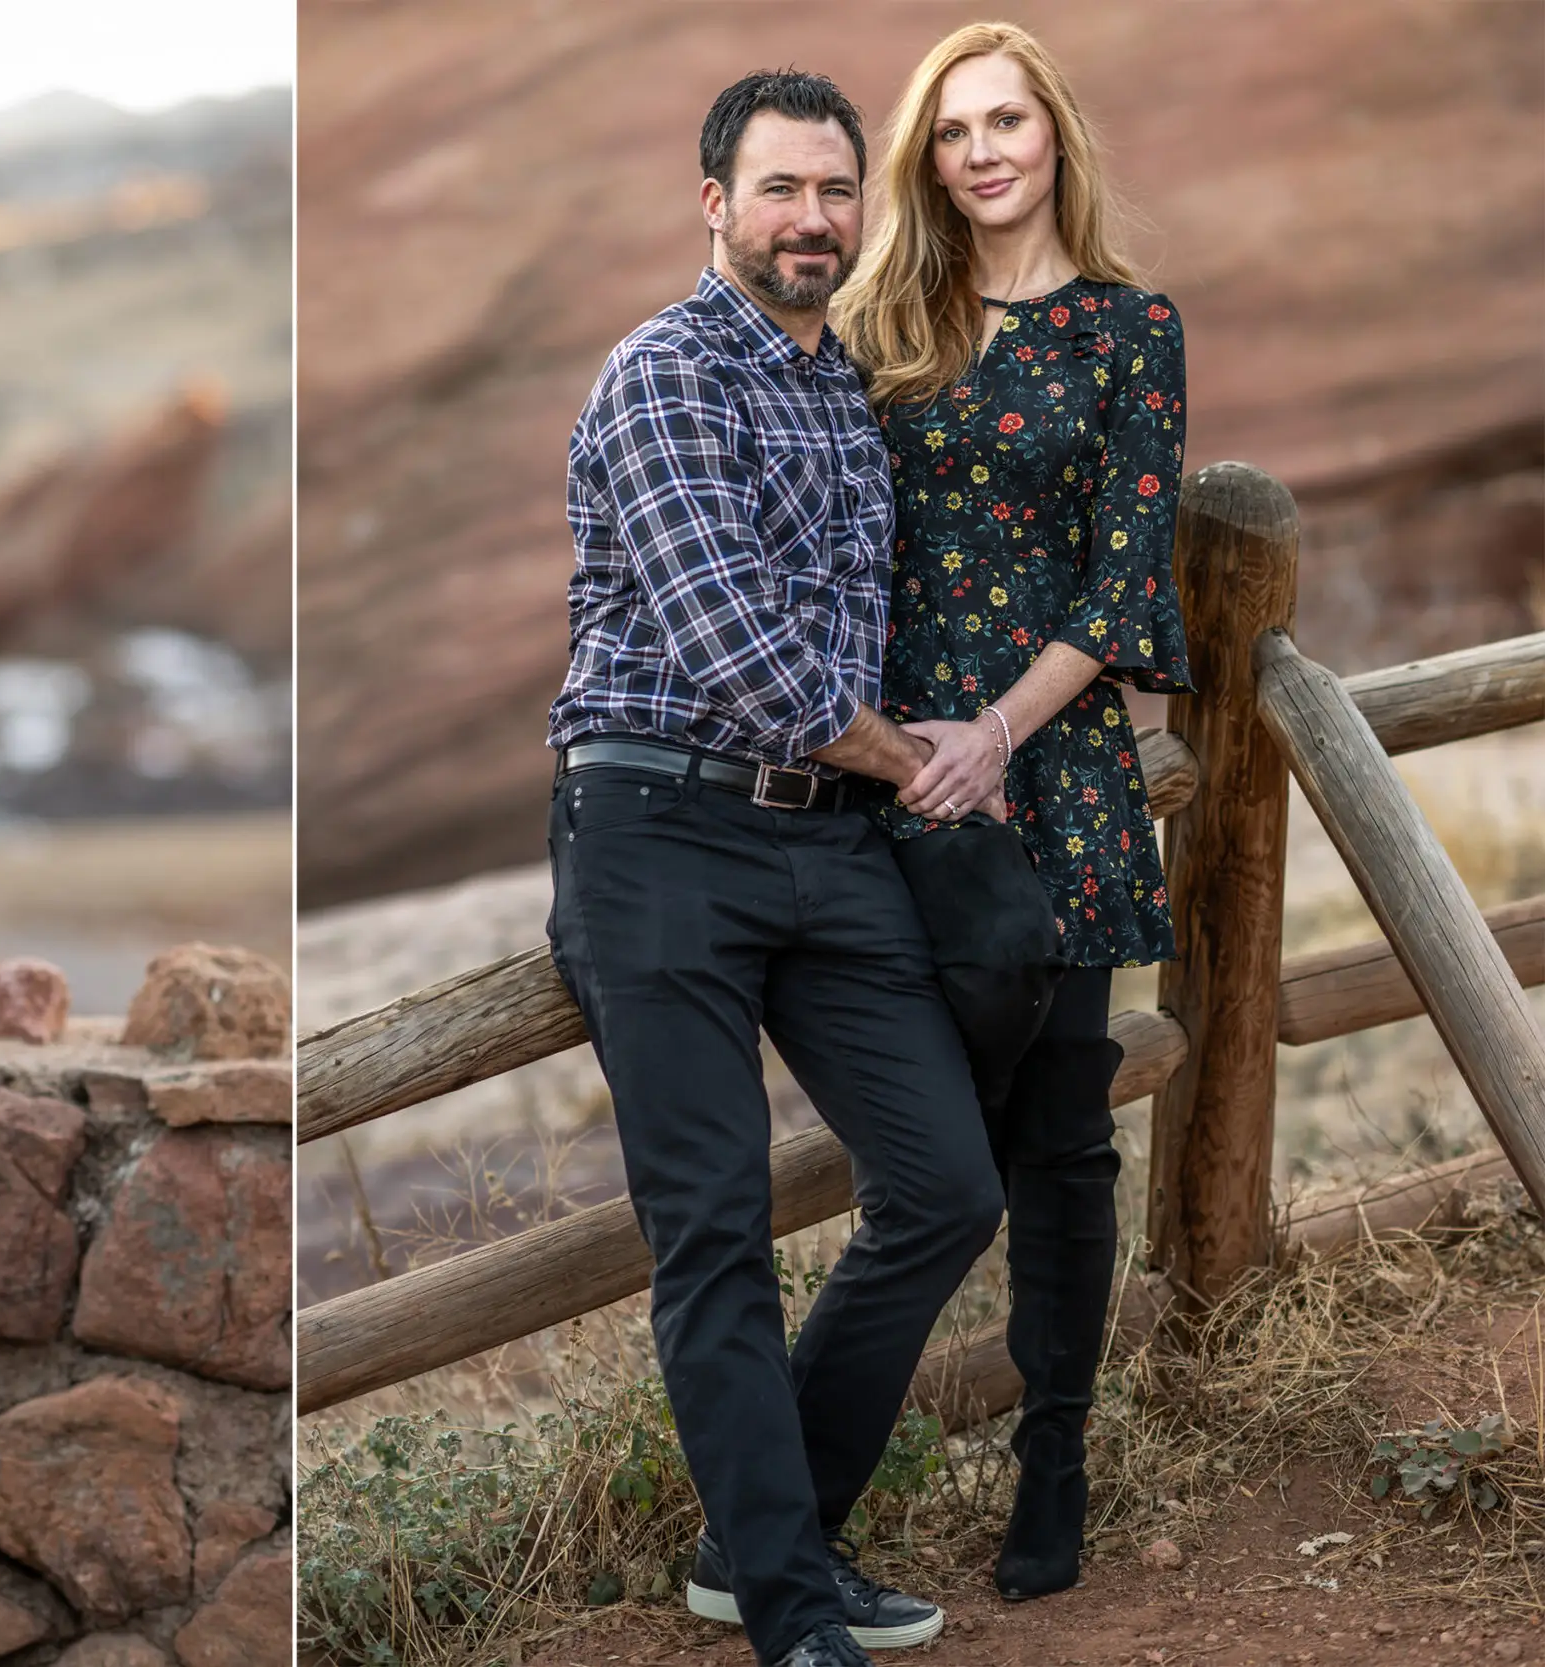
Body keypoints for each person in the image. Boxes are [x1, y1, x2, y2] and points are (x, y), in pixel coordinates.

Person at [544, 69, 1006, 1667]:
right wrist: (932, 756)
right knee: (717, 1228)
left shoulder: (839, 389)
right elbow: (745, 654)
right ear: (715, 206)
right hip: (660, 828)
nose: (812, 219)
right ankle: (795, 1617)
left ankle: (763, 1542)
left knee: (945, 1185)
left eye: (835, 190)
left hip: (823, 839)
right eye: (781, 190)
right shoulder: (666, 373)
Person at [833, 20, 1191, 1602]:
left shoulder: (1132, 328)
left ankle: (1056, 1457)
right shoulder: (876, 317)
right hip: (900, 779)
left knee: (1061, 1138)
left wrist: (999, 730)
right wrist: (912, 748)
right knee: (928, 1148)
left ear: (1056, 140)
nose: (982, 152)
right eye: (954, 131)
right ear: (928, 158)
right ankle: (810, 1479)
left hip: (1054, 767)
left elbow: (1128, 583)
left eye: (1008, 123)